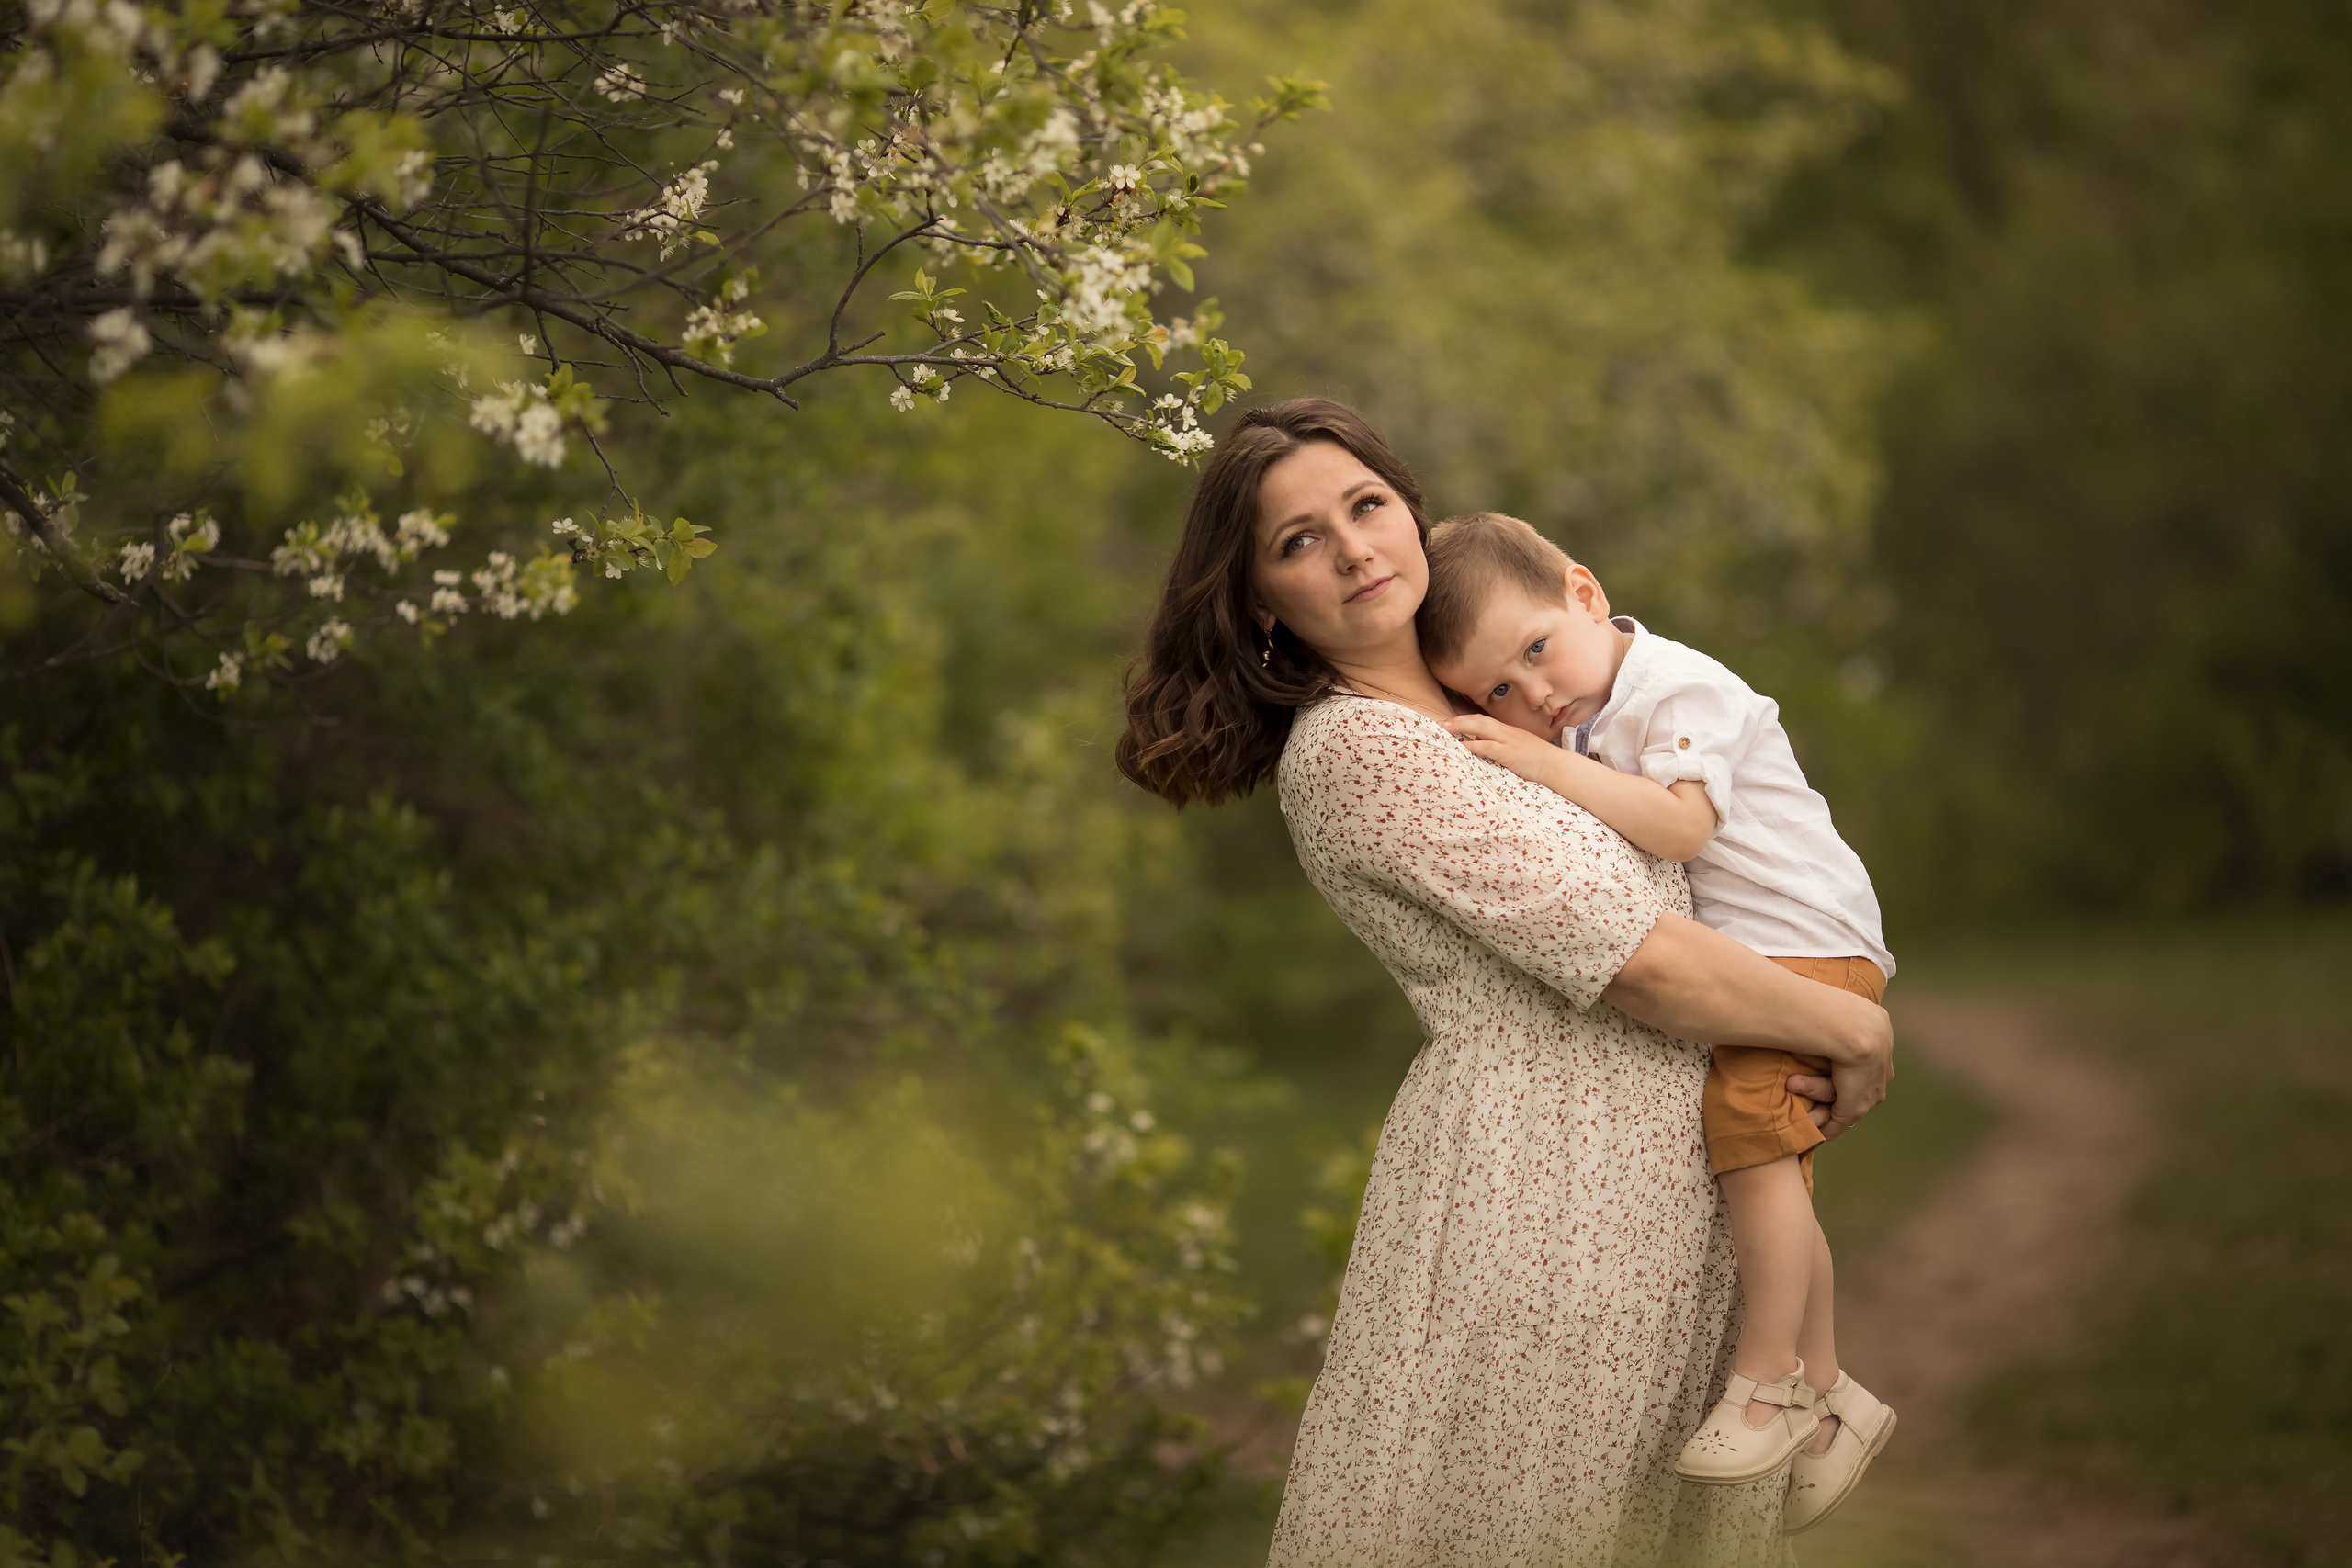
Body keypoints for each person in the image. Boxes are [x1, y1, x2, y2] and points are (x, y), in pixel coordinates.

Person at [1117, 399, 1894, 1565]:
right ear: (1262, 602)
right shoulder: (1362, 750)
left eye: (1366, 506)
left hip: (1669, 1204)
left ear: (1411, 512)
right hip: (1543, 1210)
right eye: (1299, 541)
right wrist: (1852, 1028)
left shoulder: (1511, 699)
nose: (1354, 550)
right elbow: (1640, 963)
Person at [1416, 511, 1899, 1532]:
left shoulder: (1676, 688)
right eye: (1496, 692)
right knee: (1772, 1163)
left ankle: (1767, 1384)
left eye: (1536, 650)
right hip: (1762, 953)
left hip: (1804, 940)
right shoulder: (1586, 712)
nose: (1534, 697)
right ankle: (1829, 1398)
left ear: (1586, 594)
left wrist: (1538, 762)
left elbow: (1680, 827)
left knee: (1749, 1138)